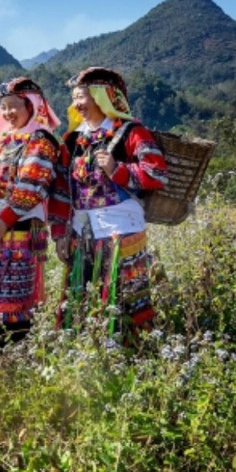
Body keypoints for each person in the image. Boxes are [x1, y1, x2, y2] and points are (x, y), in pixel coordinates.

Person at [55, 67, 167, 339]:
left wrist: (117, 169)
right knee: (81, 296)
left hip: (121, 229)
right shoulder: (73, 139)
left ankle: (132, 349)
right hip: (82, 231)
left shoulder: (131, 131)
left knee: (125, 296)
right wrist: (60, 231)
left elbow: (157, 173)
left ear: (101, 96)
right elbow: (61, 187)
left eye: (81, 97)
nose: (76, 104)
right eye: (74, 98)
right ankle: (84, 347)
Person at [0, 77, 68, 346]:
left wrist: (3, 220)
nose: (7, 113)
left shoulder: (41, 141)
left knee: (16, 300)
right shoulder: (8, 141)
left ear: (31, 106)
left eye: (13, 106)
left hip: (21, 230)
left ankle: (15, 351)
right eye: (3, 107)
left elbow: (32, 185)